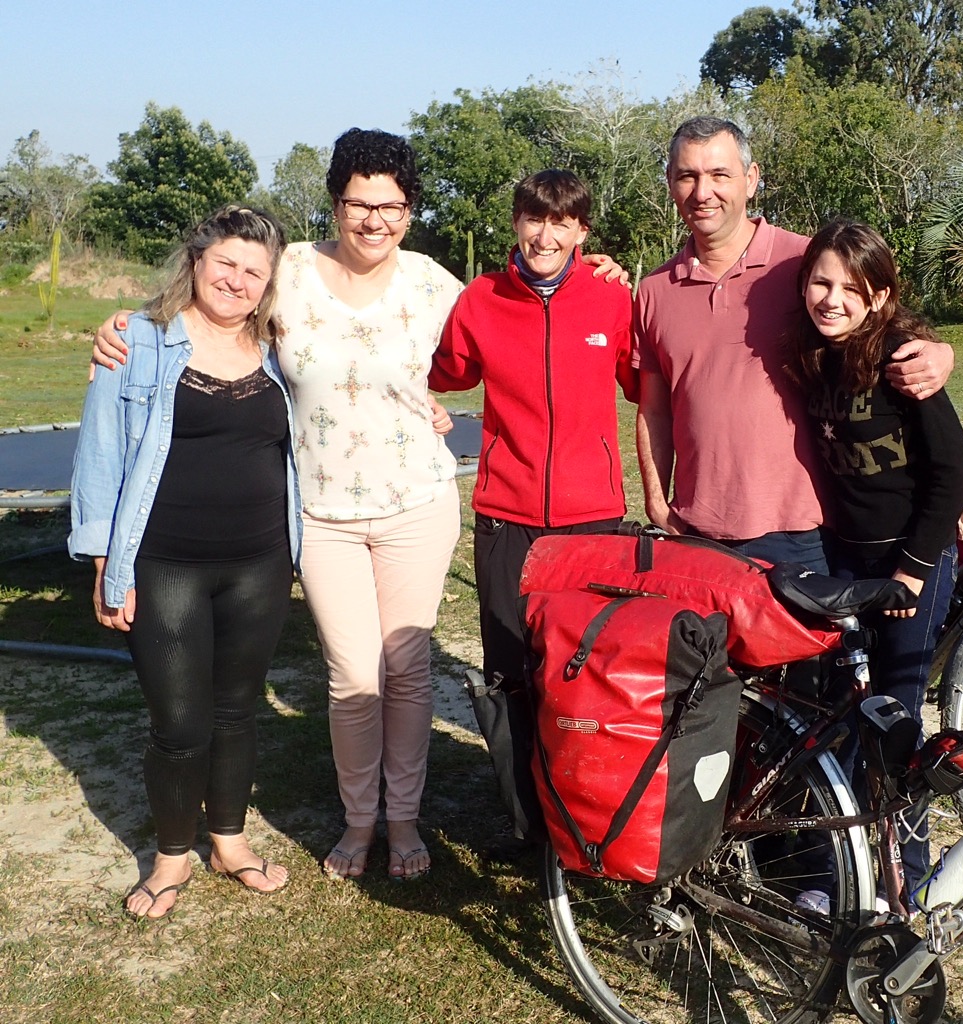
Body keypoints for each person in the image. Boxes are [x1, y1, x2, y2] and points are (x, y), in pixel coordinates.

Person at [95, 129, 463, 883]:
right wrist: (121, 327)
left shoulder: (435, 283)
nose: (374, 220)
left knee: (407, 670)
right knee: (352, 674)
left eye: (391, 206)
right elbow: (207, 300)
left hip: (416, 503)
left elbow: (517, 318)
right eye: (358, 203)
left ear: (409, 211)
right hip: (320, 513)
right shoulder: (288, 269)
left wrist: (598, 269)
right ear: (335, 202)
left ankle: (403, 819)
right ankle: (359, 821)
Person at [69, 205, 302, 918]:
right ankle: (172, 856)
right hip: (166, 564)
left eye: (254, 271)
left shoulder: (281, 349)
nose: (237, 280)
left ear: (268, 284)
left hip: (260, 564)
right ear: (197, 260)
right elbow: (100, 453)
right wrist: (105, 564)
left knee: (236, 711)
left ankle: (228, 841)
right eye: (226, 262)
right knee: (178, 723)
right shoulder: (137, 342)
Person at [634, 116, 956, 573]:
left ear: (751, 179)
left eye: (720, 174)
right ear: (670, 181)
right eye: (687, 175)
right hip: (696, 530)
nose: (703, 192)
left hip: (805, 533)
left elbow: (880, 319)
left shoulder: (805, 262)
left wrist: (941, 352)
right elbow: (654, 409)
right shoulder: (654, 291)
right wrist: (655, 499)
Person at [428, 169, 638, 847]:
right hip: (507, 515)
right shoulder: (481, 299)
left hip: (592, 519)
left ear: (581, 231)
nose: (545, 235)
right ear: (516, 223)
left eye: (561, 223)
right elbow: (440, 371)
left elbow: (646, 381)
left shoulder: (610, 297)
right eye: (534, 219)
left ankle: (591, 812)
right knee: (511, 668)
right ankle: (528, 824)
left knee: (586, 671)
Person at [788, 218, 963, 907]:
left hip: (909, 566)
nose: (832, 299)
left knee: (897, 720)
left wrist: (914, 569)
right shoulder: (813, 353)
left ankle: (909, 879)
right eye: (821, 282)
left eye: (851, 289)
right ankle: (830, 875)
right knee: (837, 717)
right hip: (844, 560)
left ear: (881, 297)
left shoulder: (901, 360)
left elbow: (955, 474)